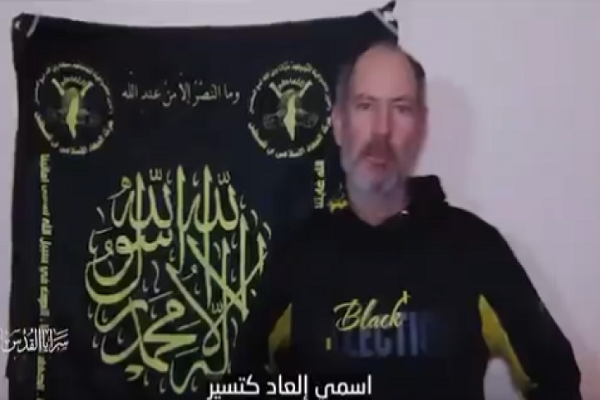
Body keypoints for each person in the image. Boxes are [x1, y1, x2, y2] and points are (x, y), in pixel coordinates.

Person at [229, 39, 581, 400]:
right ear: (339, 124)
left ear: (421, 127)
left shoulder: (476, 248)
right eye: (365, 105)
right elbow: (241, 380)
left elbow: (558, 378)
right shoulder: (299, 254)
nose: (382, 130)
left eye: (401, 108)